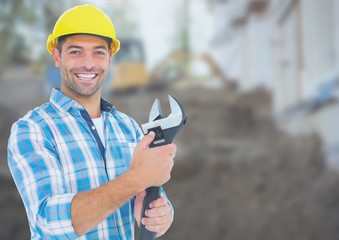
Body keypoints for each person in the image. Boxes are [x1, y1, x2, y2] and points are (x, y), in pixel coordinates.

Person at [7, 4, 176, 240]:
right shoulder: (33, 129)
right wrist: (136, 178)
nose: (88, 63)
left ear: (109, 59)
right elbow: (48, 221)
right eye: (76, 52)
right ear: (57, 57)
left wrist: (161, 215)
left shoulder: (127, 127)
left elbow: (152, 196)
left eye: (99, 52)